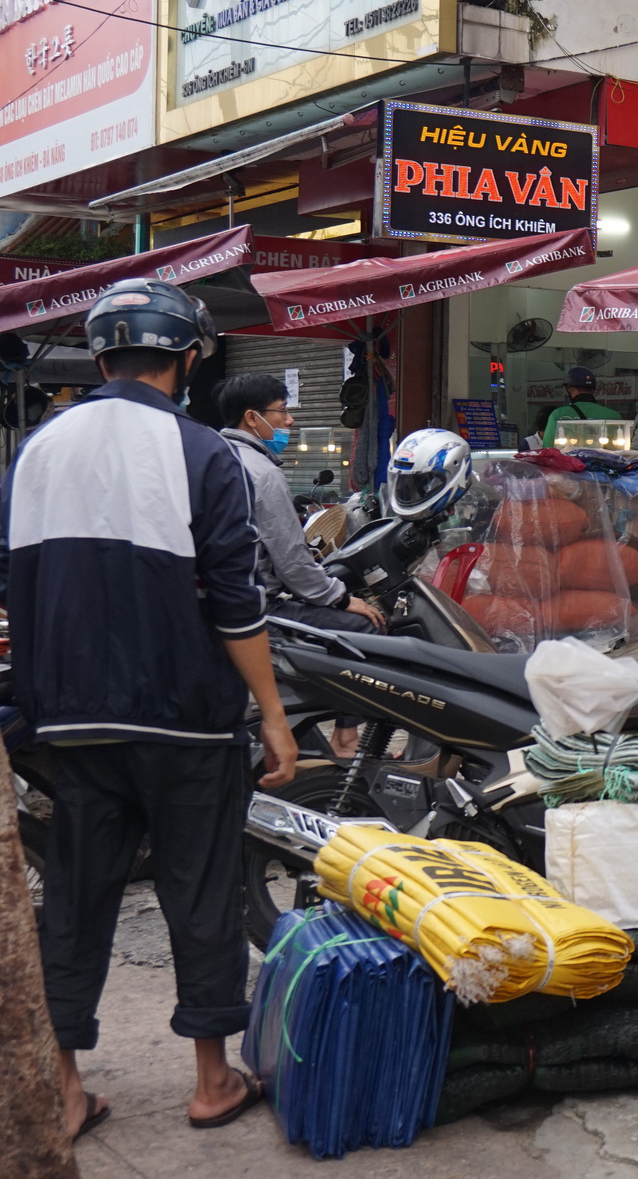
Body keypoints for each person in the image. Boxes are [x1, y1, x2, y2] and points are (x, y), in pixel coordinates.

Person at [0, 279, 298, 1139]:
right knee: (198, 887)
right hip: (186, 716)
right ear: (190, 358)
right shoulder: (202, 452)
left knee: (79, 891)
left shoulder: (36, 450)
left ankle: (63, 1089)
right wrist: (273, 713)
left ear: (99, 357)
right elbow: (236, 603)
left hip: (68, 720)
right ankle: (211, 1081)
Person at [216, 373, 384, 638]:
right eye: (282, 411)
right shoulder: (263, 472)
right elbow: (291, 559)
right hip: (257, 607)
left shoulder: (212, 455)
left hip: (216, 599)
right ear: (251, 418)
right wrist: (341, 598)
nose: (289, 421)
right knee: (368, 626)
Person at [540, 366, 620, 445]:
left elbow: (548, 450)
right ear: (593, 390)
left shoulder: (558, 414)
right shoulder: (614, 416)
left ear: (570, 389)